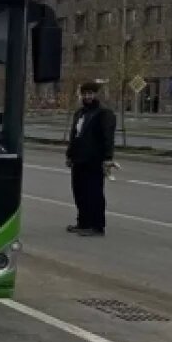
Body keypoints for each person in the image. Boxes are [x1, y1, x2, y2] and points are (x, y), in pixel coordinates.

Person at [66, 82, 116, 237]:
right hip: (78, 159)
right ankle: (83, 222)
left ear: (96, 94)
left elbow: (108, 138)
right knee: (79, 192)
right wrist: (69, 155)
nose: (88, 96)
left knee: (94, 193)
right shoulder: (80, 113)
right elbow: (74, 136)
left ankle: (97, 226)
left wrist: (107, 158)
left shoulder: (104, 113)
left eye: (91, 93)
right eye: (85, 94)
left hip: (94, 160)